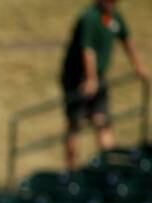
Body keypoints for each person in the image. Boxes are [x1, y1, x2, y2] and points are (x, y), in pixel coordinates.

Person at [60, 0, 148, 170]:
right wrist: (91, 79)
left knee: (102, 121)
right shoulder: (89, 18)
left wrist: (138, 66)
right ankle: (70, 170)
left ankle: (109, 168)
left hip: (99, 78)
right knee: (75, 124)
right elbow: (88, 49)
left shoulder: (114, 17)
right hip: (78, 79)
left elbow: (126, 39)